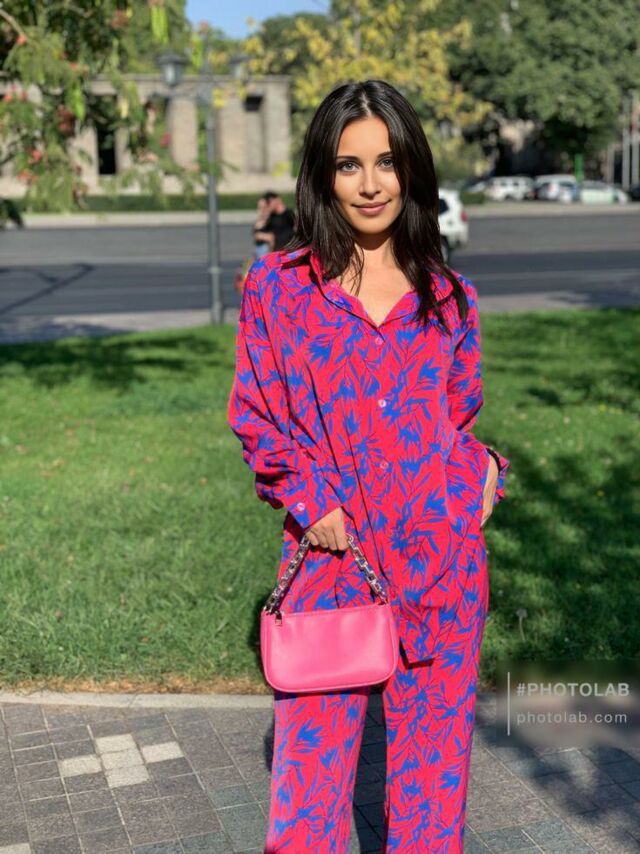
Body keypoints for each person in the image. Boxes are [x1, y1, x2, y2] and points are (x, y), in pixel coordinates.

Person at [227, 79, 511, 853]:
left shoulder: (450, 298)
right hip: (333, 566)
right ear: (323, 175)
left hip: (442, 568)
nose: (371, 183)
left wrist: (485, 470)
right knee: (309, 801)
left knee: (432, 791)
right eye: (349, 165)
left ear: (411, 167)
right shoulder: (280, 289)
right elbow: (256, 414)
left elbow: (458, 420)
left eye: (386, 161)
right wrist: (310, 498)